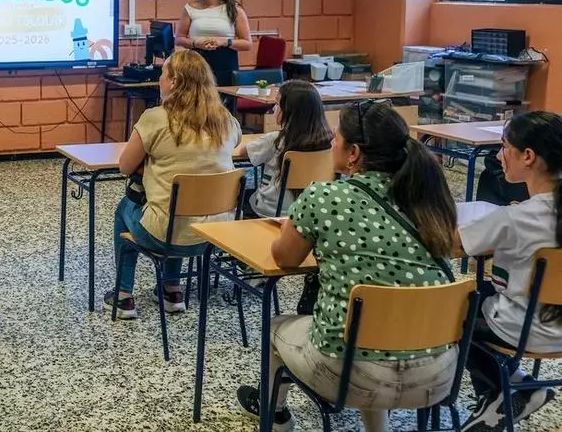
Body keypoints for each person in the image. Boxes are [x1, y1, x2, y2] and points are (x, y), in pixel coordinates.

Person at [237, 101, 460, 432]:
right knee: (376, 325)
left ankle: (277, 416)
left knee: (276, 327)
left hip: (353, 373)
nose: (331, 142)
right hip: (437, 374)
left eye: (337, 137)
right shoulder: (427, 200)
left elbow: (284, 258)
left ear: (353, 153)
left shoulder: (323, 197)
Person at [106, 50, 242, 319]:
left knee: (127, 209)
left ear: (174, 81)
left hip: (164, 235)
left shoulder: (155, 118)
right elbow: (235, 143)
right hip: (216, 235)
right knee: (181, 204)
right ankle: (171, 290)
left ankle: (123, 297)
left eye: (163, 74)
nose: (159, 79)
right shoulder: (225, 119)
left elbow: (124, 166)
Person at [458, 111, 562, 431]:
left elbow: (453, 242)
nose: (500, 155)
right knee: (483, 295)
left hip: (529, 329)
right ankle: (506, 395)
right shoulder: (525, 214)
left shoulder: (514, 219)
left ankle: (507, 389)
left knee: (452, 311)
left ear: (527, 156)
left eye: (504, 147)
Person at [237, 80, 333, 218]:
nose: (274, 109)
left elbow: (243, 152)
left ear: (289, 112)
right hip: (310, 211)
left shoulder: (275, 140)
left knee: (242, 197)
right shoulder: (329, 144)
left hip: (271, 211)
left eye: (277, 104)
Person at [174, 0, 253, 87]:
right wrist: (196, 44)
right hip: (197, 63)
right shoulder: (190, 7)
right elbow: (179, 38)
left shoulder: (234, 9)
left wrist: (225, 41)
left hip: (225, 64)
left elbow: (247, 44)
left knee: (223, 103)